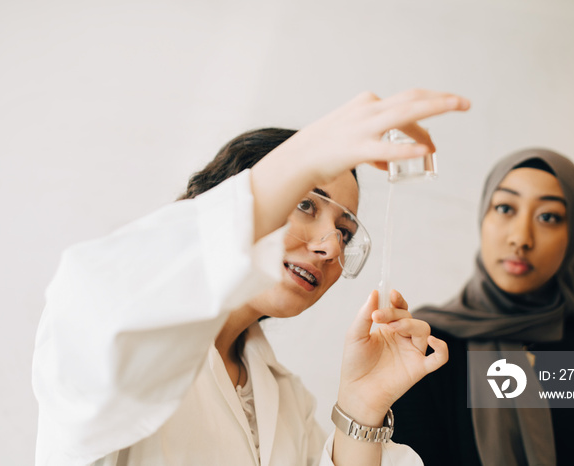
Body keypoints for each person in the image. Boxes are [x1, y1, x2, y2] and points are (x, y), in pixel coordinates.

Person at [32, 90, 470, 466]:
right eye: (306, 204)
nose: (330, 246)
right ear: (231, 197)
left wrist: (362, 405)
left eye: (345, 232)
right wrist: (310, 152)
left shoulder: (286, 399)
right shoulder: (115, 324)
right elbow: (101, 293)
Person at [391, 149, 574, 465]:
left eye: (548, 217)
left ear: (573, 236)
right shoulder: (425, 349)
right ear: (483, 217)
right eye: (504, 208)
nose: (521, 238)